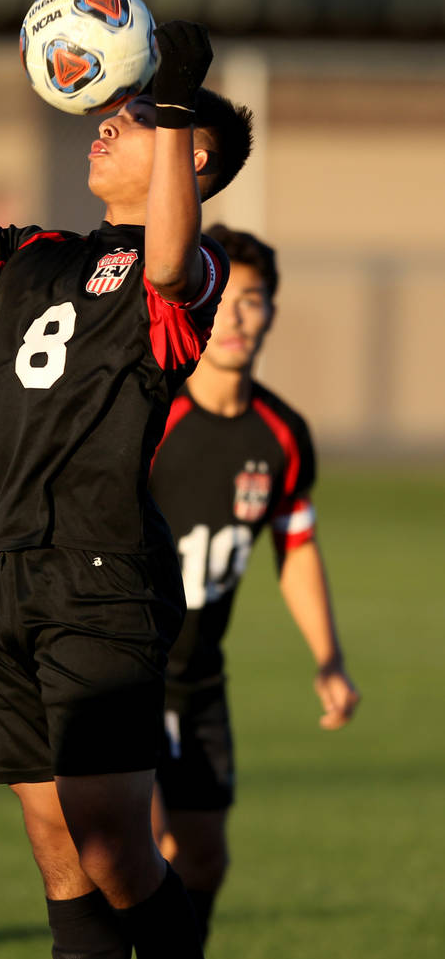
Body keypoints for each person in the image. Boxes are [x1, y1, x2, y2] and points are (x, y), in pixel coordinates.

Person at [0, 22, 253, 959]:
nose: (102, 127)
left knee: (114, 848)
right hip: (3, 569)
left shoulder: (186, 277)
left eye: (129, 120)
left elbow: (171, 263)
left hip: (100, 576)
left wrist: (172, 99)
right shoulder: (37, 250)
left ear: (189, 154)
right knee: (58, 856)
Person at [148, 224, 361, 944]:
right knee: (130, 851)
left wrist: (328, 660)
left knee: (204, 856)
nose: (238, 318)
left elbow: (295, 547)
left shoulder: (282, 433)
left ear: (272, 311)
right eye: (228, 299)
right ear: (201, 303)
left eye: (256, 301)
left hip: (201, 678)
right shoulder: (154, 413)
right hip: (122, 673)